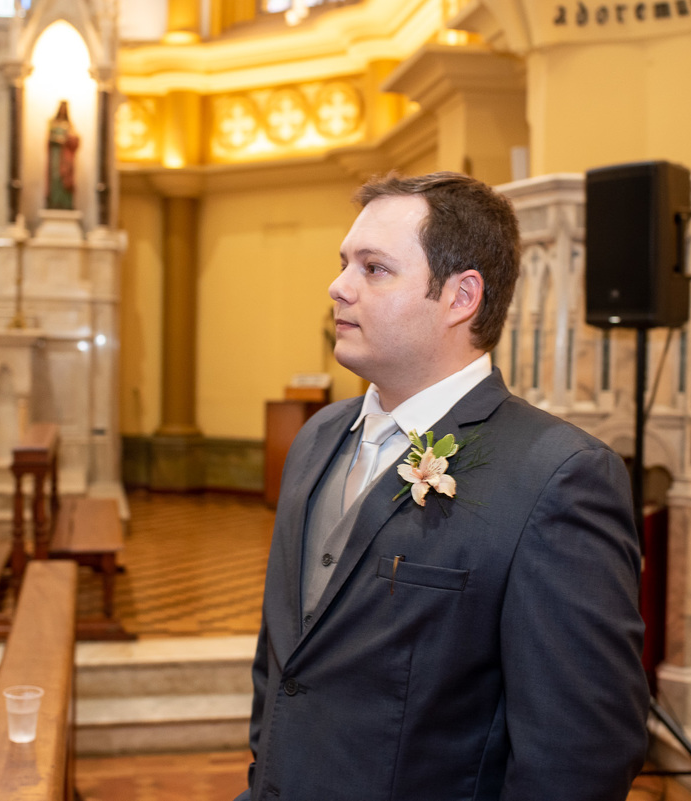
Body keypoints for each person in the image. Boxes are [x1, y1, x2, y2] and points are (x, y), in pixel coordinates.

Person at [237, 172, 649, 801]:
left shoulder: (559, 477)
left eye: (373, 269)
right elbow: (284, 666)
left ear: (461, 298)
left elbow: (578, 756)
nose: (338, 286)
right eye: (344, 263)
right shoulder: (318, 438)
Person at [46, 100, 80, 210]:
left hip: (66, 156)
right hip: (56, 155)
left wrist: (67, 140)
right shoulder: (53, 123)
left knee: (65, 178)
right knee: (56, 177)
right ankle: (54, 202)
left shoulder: (69, 125)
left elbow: (75, 140)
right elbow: (49, 139)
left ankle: (66, 204)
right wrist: (57, 140)